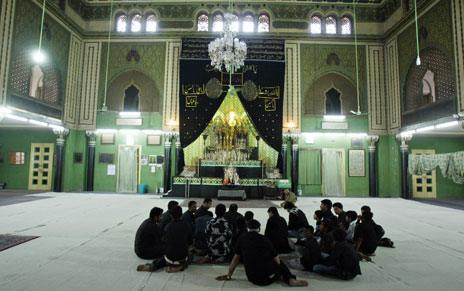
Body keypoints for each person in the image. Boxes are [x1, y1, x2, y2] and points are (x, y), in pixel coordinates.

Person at [216, 219, 308, 287]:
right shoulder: (265, 239)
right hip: (266, 279)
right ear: (259, 229)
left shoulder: (242, 239)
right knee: (280, 262)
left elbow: (235, 259)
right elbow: (277, 260)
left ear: (248, 228)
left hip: (252, 278)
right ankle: (290, 279)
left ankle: (279, 275)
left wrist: (229, 275)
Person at [137, 205, 192, 273]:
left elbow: (164, 242)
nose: (162, 217)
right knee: (189, 254)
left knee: (165, 255)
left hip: (169, 259)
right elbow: (190, 241)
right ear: (181, 214)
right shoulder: (187, 225)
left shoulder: (168, 227)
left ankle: (154, 265)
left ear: (171, 215)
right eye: (161, 215)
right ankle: (181, 265)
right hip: (183, 258)